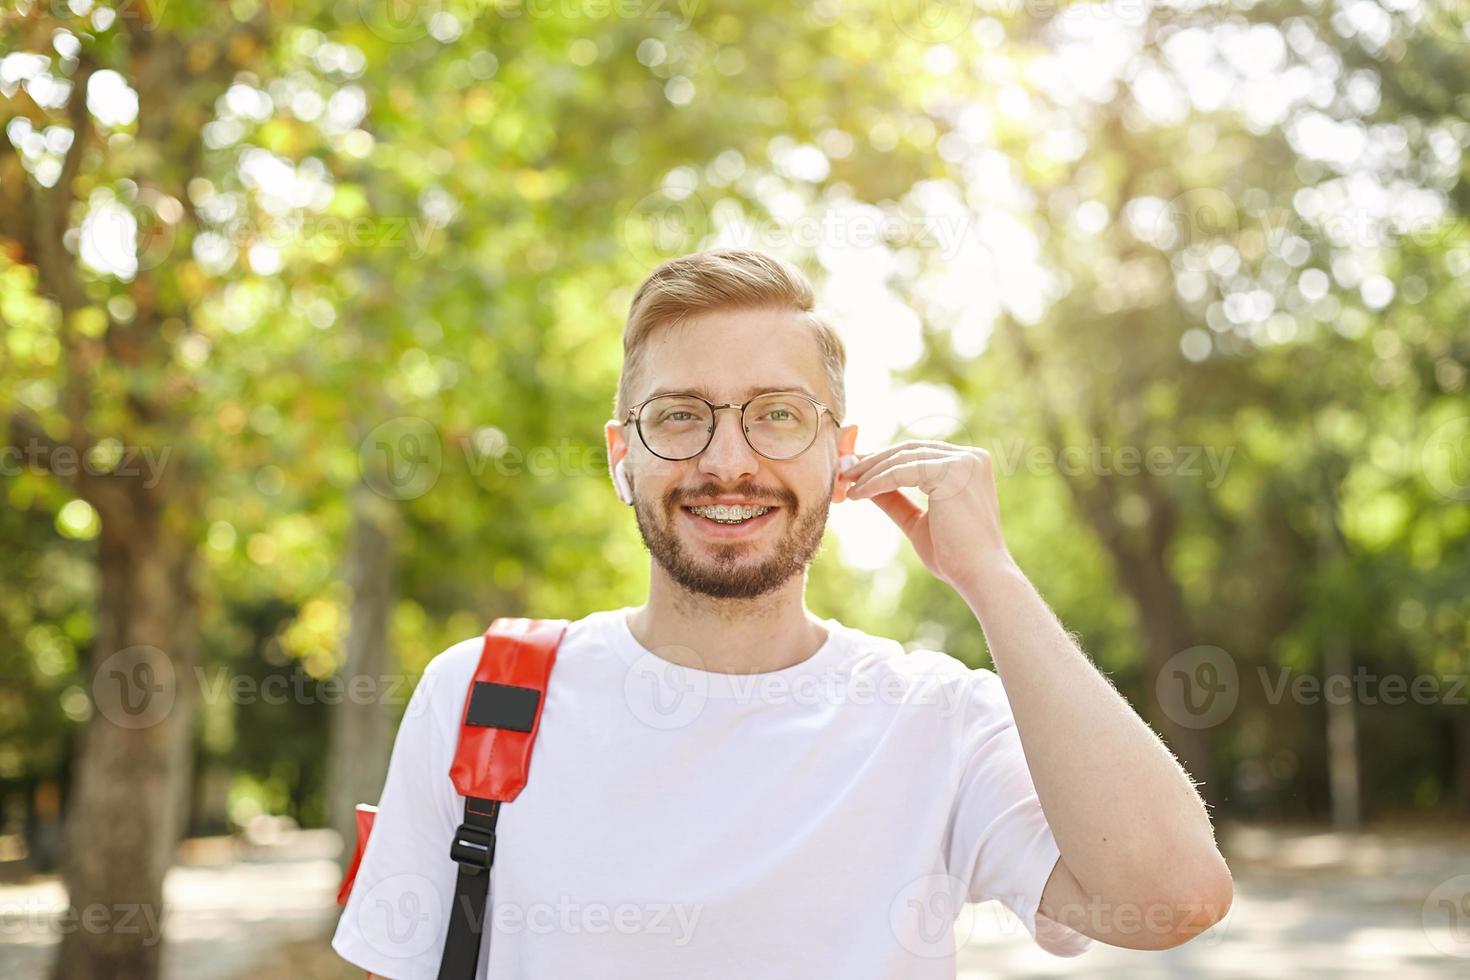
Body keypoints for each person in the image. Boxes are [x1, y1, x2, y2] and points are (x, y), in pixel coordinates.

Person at [332, 248, 1233, 979]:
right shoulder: (483, 692)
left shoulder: (936, 718)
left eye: (778, 415)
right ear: (622, 457)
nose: (729, 460)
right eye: (680, 416)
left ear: (842, 457)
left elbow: (1171, 896)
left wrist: (992, 576)